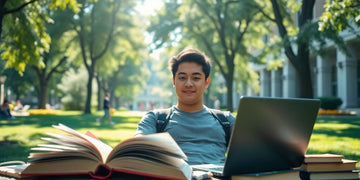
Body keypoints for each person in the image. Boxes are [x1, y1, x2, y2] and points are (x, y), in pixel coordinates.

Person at [135, 48, 235, 165]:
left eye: (196, 78)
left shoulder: (226, 121)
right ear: (174, 81)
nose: (188, 84)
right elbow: (137, 150)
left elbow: (251, 157)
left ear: (206, 82)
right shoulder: (155, 119)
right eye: (182, 78)